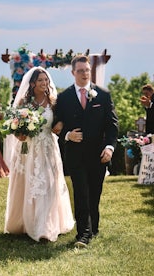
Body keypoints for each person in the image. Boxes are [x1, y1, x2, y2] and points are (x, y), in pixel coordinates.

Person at [53, 55, 118, 248]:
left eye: (87, 70)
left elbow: (112, 125)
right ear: (73, 73)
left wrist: (110, 147)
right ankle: (83, 234)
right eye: (80, 70)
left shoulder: (103, 95)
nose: (84, 73)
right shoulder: (63, 98)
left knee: (94, 194)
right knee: (81, 193)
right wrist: (67, 135)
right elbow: (56, 126)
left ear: (90, 71)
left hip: (98, 155)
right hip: (75, 155)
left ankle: (93, 227)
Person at [4, 67, 75, 242]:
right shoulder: (23, 103)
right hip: (28, 149)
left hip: (48, 147)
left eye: (46, 80)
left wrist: (60, 124)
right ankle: (27, 222)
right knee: (30, 183)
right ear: (33, 83)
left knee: (49, 184)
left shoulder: (53, 102)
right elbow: (15, 126)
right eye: (41, 80)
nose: (45, 83)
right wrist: (19, 134)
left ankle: (45, 226)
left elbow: (62, 120)